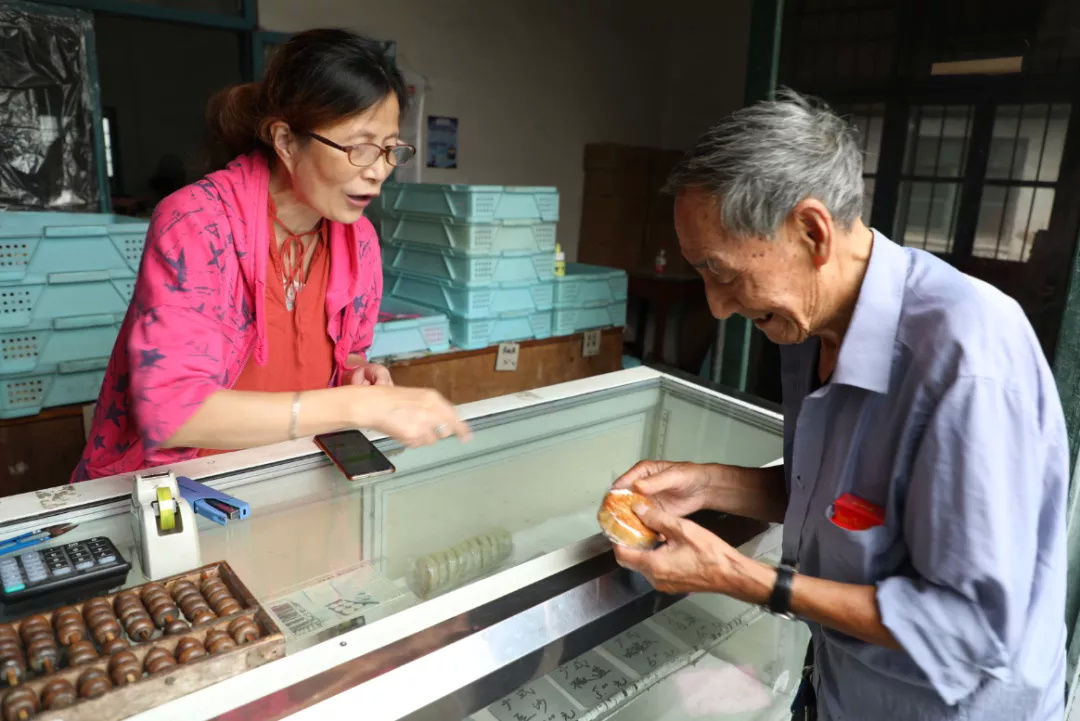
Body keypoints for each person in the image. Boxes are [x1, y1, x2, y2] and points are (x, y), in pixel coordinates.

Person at [611, 90, 1067, 720]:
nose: (717, 306)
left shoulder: (969, 355)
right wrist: (709, 484)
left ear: (811, 232)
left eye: (722, 272)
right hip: (840, 687)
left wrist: (745, 579)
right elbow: (847, 507)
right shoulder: (808, 329)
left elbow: (972, 629)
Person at [73, 29, 470, 482]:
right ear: (284, 140)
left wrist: (359, 377)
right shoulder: (196, 224)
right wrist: (355, 405)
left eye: (388, 149)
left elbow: (347, 357)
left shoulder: (359, 241)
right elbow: (170, 414)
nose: (379, 170)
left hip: (285, 476)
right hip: (185, 488)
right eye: (359, 147)